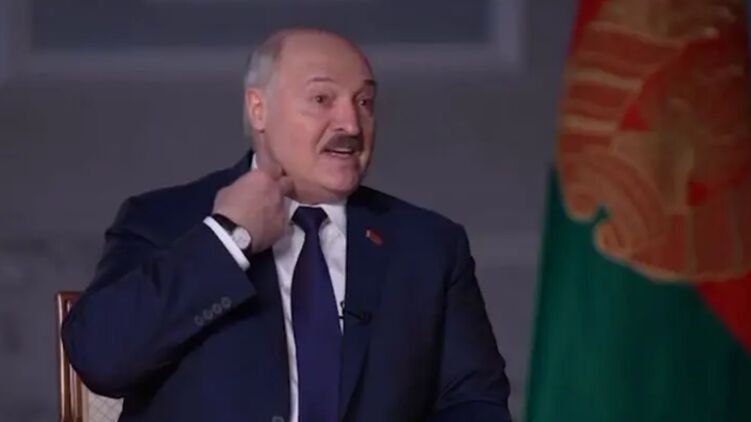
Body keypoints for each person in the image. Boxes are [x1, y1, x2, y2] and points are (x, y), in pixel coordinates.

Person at [62, 27, 511, 422]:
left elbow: (475, 404)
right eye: (322, 99)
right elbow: (100, 357)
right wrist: (226, 237)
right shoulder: (165, 220)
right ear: (258, 109)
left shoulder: (428, 246)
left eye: (365, 102)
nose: (351, 123)